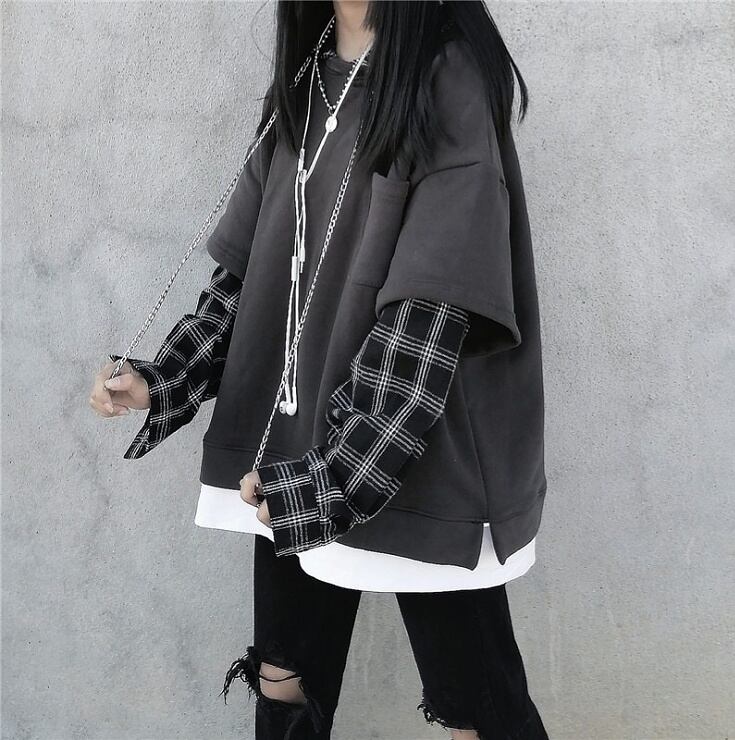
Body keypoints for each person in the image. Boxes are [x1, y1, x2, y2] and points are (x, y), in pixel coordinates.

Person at [89, 2, 549, 738]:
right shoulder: (306, 75)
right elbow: (257, 271)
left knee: (476, 704)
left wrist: (335, 480)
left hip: (413, 450)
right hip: (294, 451)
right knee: (285, 681)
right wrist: (166, 377)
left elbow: (432, 310)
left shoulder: (447, 73)